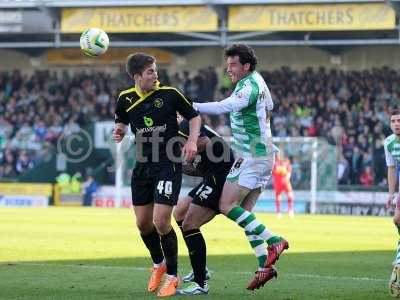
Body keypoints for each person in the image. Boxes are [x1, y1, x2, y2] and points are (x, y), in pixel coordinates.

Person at [193, 44, 289, 290]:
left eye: (233, 65)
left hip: (253, 156)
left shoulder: (249, 86)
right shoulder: (257, 81)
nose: (228, 70)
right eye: (227, 65)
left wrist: (193, 106)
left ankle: (275, 240)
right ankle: (263, 267)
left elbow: (223, 107)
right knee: (245, 213)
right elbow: (269, 109)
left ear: (246, 66)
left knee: (226, 205)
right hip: (261, 154)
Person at [113, 53, 201, 297]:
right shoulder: (125, 98)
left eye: (155, 70)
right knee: (143, 224)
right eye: (151, 71)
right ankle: (158, 264)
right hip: (142, 166)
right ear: (137, 76)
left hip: (167, 163)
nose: (156, 75)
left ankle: (172, 276)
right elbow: (121, 120)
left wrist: (192, 141)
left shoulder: (169, 94)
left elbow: (194, 116)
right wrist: (119, 131)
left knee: (161, 221)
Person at [172, 116, 235, 295]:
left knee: (190, 224)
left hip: (222, 177)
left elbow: (204, 142)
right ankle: (201, 268)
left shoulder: (185, 126)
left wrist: (186, 150)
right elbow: (195, 167)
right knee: (180, 212)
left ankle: (201, 283)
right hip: (212, 175)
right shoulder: (185, 127)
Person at [384, 109, 400, 297]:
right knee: (397, 220)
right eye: (394, 121)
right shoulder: (388, 143)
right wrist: (390, 194)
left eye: (399, 120)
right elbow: (391, 168)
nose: (397, 123)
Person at [272, 152, 295, 218]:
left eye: (280, 155)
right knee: (278, 196)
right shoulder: (275, 164)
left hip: (286, 182)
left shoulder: (286, 163)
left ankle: (290, 210)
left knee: (290, 196)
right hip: (278, 183)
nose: (278, 156)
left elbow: (289, 172)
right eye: (277, 155)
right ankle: (278, 212)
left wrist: (287, 177)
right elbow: (273, 173)